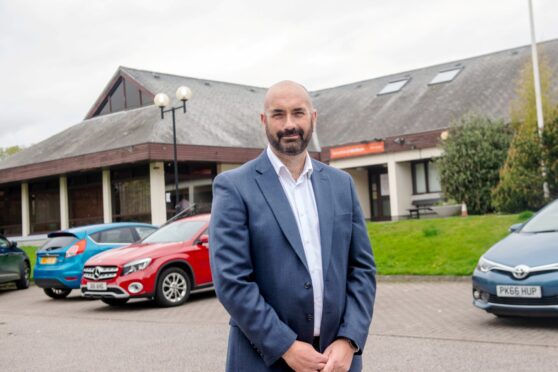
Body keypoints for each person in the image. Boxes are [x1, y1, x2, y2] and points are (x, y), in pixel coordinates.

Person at [210, 81, 376, 371]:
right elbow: (232, 281)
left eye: (298, 113)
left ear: (313, 117)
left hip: (336, 360)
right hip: (263, 358)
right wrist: (284, 345)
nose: (289, 124)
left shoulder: (341, 185)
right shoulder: (234, 187)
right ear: (264, 120)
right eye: (278, 114)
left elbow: (361, 270)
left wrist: (350, 339)